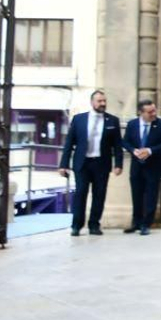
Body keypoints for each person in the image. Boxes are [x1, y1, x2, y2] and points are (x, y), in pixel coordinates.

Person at [58, 89, 122, 236]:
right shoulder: (79, 119)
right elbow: (69, 143)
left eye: (104, 101)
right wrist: (63, 164)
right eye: (99, 101)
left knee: (99, 194)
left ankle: (94, 224)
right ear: (92, 102)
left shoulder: (112, 121)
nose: (103, 103)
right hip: (83, 163)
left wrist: (118, 164)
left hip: (101, 163)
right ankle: (76, 225)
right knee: (80, 193)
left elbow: (117, 145)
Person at [122, 98, 161, 234]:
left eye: (154, 111)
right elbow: (125, 142)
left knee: (151, 196)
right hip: (136, 166)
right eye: (150, 112)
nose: (153, 114)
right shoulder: (132, 124)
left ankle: (147, 224)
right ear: (141, 112)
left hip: (153, 166)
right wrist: (133, 150)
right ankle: (136, 222)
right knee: (136, 195)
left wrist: (150, 150)